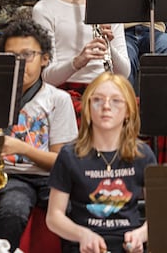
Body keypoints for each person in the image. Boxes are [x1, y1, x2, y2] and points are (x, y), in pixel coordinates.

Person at [0, 18, 78, 250]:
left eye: (27, 55)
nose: (20, 63)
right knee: (12, 211)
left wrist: (22, 148)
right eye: (12, 56)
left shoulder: (59, 99)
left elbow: (63, 161)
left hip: (52, 177)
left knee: (70, 211)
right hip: (11, 176)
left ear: (45, 59)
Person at [46, 73, 154, 253]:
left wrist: (141, 235)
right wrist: (82, 235)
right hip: (83, 245)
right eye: (97, 100)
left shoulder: (143, 155)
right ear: (88, 108)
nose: (106, 106)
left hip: (127, 246)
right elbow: (54, 217)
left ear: (128, 111)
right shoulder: (69, 155)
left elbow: (159, 217)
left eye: (116, 101)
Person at [32, 0, 130, 115]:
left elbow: (124, 73)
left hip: (105, 91)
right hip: (65, 96)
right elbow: (46, 76)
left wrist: (109, 46)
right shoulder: (44, 9)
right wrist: (78, 61)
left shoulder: (109, 7)